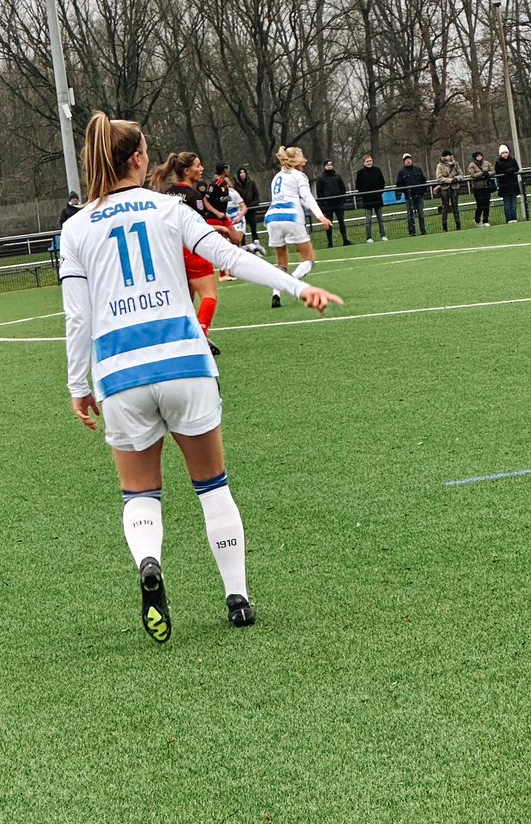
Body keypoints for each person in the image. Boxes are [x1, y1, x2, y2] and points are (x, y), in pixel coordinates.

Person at [60, 113, 342, 642]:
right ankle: (237, 597)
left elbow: (78, 316)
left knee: (140, 495)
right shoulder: (169, 209)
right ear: (140, 159)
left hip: (121, 374)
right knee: (213, 487)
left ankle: (149, 562)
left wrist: (80, 386)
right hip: (185, 363)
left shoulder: (75, 229)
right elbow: (227, 255)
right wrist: (297, 287)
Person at [150, 151, 237, 355]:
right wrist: (221, 229)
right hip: (191, 249)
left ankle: (179, 339)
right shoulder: (194, 196)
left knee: (185, 298)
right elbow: (195, 228)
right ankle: (201, 335)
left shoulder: (165, 195)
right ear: (187, 171)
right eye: (198, 166)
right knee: (209, 295)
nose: (202, 169)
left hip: (169, 251)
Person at [263, 146, 332, 307]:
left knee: (281, 262)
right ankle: (292, 283)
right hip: (291, 216)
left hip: (272, 218)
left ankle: (276, 294)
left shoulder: (277, 178)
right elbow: (307, 197)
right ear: (297, 161)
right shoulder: (299, 176)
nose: (304, 163)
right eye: (302, 159)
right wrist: (320, 216)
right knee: (309, 259)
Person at [316, 160, 351, 246]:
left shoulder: (338, 176)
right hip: (328, 205)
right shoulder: (321, 178)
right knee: (329, 224)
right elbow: (319, 192)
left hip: (339, 204)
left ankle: (345, 240)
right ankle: (330, 242)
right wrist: (323, 204)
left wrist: (342, 201)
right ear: (324, 166)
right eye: (328, 165)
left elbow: (343, 189)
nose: (329, 166)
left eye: (331, 165)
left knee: (341, 222)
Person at [355, 154, 388, 242]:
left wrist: (379, 192)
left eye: (370, 161)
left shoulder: (377, 170)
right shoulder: (360, 173)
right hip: (367, 200)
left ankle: (383, 235)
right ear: (364, 163)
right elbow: (358, 186)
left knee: (380, 218)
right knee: (368, 219)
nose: (369, 163)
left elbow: (382, 182)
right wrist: (365, 194)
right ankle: (369, 237)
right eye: (367, 161)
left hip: (377, 198)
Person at [395, 153, 428, 236]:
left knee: (421, 214)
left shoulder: (418, 170)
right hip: (409, 198)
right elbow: (399, 184)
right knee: (410, 215)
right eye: (406, 160)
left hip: (419, 196)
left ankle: (423, 230)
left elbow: (423, 181)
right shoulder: (401, 173)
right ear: (404, 162)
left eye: (409, 159)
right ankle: (411, 231)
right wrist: (406, 192)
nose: (408, 161)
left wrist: (422, 191)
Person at [434, 150, 462, 232]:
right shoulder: (439, 166)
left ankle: (458, 225)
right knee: (445, 207)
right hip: (444, 188)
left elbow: (461, 174)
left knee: (455, 206)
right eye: (446, 155)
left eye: (449, 155)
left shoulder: (455, 164)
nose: (448, 157)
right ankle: (444, 226)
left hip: (454, 187)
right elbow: (439, 178)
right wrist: (449, 180)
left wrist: (456, 178)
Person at [494, 144, 521, 223]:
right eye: (503, 153)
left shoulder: (513, 160)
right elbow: (498, 171)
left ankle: (514, 217)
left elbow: (516, 168)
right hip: (504, 186)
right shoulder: (498, 162)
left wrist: (508, 171)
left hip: (513, 185)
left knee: (514, 204)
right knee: (507, 204)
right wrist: (508, 171)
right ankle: (509, 218)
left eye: (506, 152)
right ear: (500, 154)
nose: (505, 154)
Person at [466, 150, 494, 227]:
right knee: (480, 204)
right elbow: (472, 174)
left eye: (480, 156)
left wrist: (488, 174)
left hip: (486, 186)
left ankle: (486, 220)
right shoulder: (472, 165)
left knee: (486, 204)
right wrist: (481, 174)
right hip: (477, 188)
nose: (479, 157)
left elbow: (493, 170)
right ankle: (477, 219)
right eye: (478, 156)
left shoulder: (487, 163)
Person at [235, 166, 261, 243]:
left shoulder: (252, 183)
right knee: (242, 230)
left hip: (251, 210)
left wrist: (251, 205)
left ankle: (256, 245)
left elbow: (256, 197)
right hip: (242, 211)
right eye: (240, 172)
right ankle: (243, 246)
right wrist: (243, 207)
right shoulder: (236, 186)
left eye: (244, 172)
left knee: (254, 230)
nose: (242, 174)